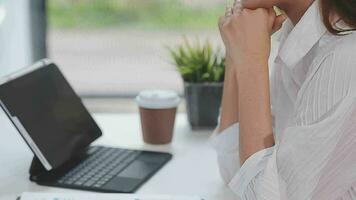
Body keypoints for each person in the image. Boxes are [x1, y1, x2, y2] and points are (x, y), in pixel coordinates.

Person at [211, 0, 356, 199]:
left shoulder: (346, 56)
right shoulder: (300, 39)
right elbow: (235, 173)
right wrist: (237, 50)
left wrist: (250, 60)